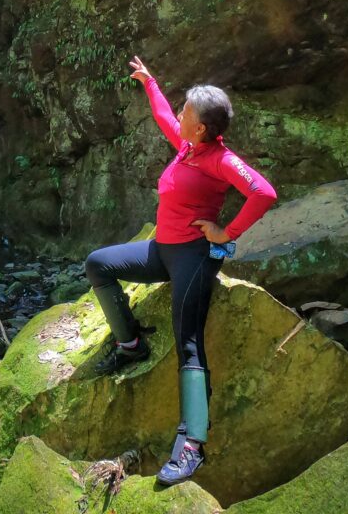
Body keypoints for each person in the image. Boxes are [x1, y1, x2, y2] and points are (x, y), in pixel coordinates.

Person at [84, 55, 277, 485]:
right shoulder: (188, 147)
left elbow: (263, 191)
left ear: (202, 127)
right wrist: (150, 81)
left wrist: (226, 233)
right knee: (98, 264)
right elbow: (163, 116)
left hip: (193, 257)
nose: (181, 114)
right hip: (161, 251)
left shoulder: (220, 161)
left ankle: (193, 446)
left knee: (188, 344)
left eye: (188, 111)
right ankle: (131, 343)